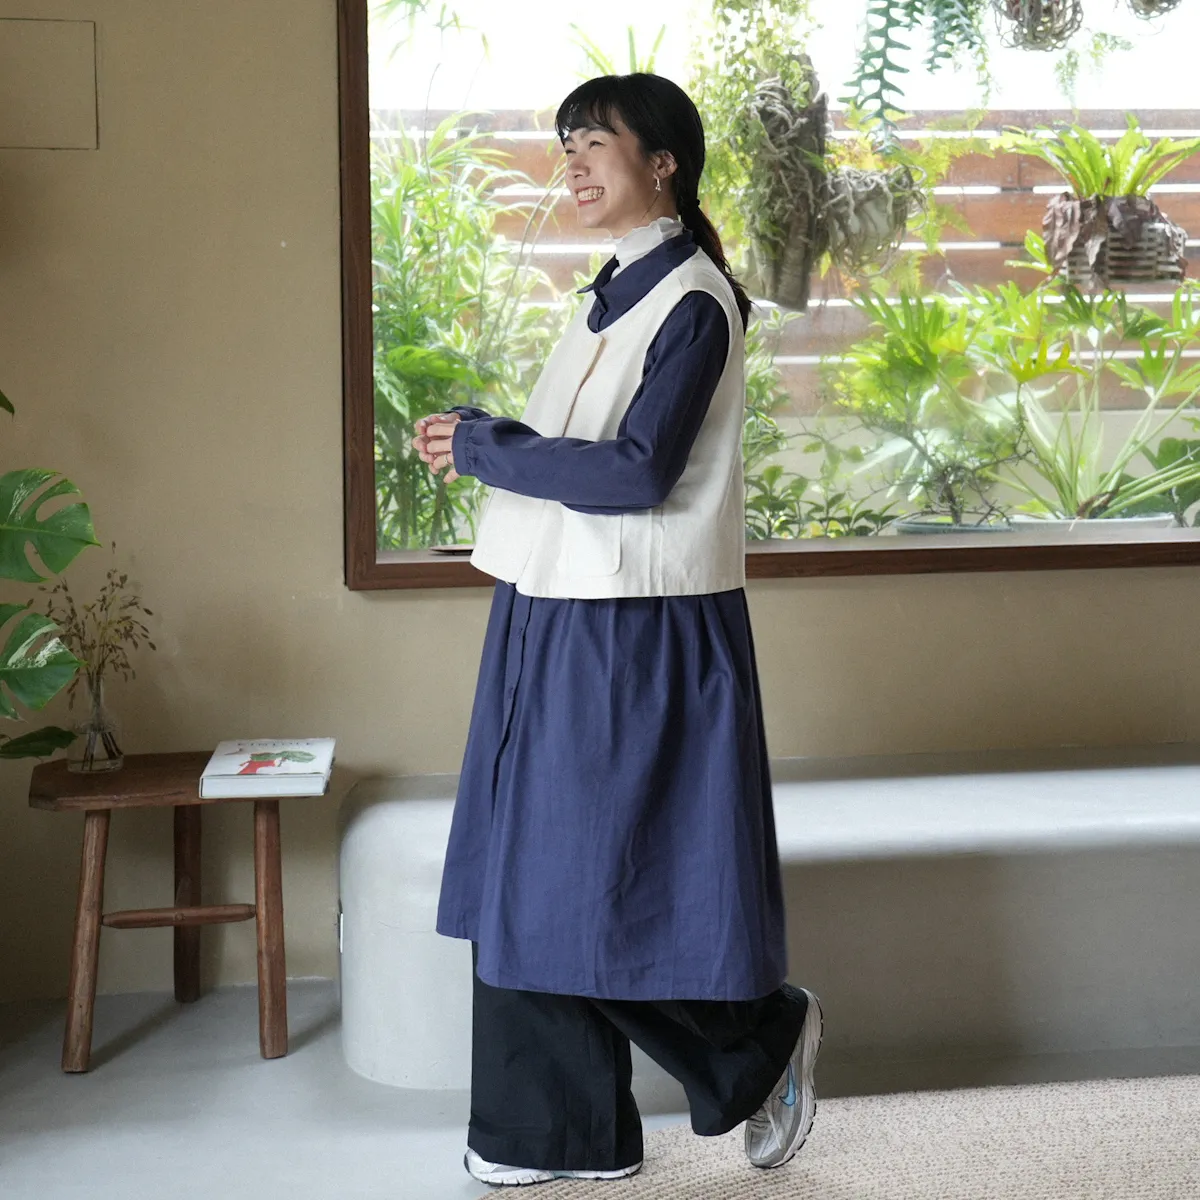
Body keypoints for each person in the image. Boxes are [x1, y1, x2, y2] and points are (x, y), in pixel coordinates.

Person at [411, 72, 823, 1188]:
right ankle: (553, 1133)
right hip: (550, 611)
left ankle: (755, 1042)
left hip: (637, 629)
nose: (574, 162)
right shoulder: (606, 294)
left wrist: (486, 447)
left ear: (664, 162)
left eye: (596, 141)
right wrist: (488, 439)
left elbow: (639, 473)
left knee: (577, 874)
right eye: (566, 144)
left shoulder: (692, 301)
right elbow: (583, 460)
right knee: (524, 869)